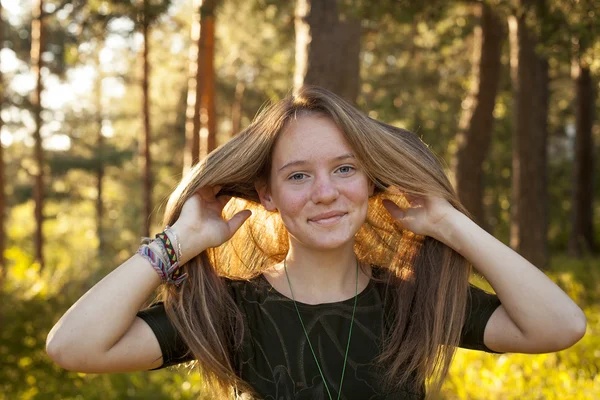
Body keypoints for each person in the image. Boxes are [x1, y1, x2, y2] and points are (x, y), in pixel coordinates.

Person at [46, 86, 586, 400]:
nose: (325, 193)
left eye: (345, 169)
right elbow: (73, 347)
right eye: (299, 176)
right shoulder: (232, 311)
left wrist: (449, 223)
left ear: (371, 181)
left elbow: (560, 326)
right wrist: (179, 242)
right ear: (269, 194)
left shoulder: (412, 301)